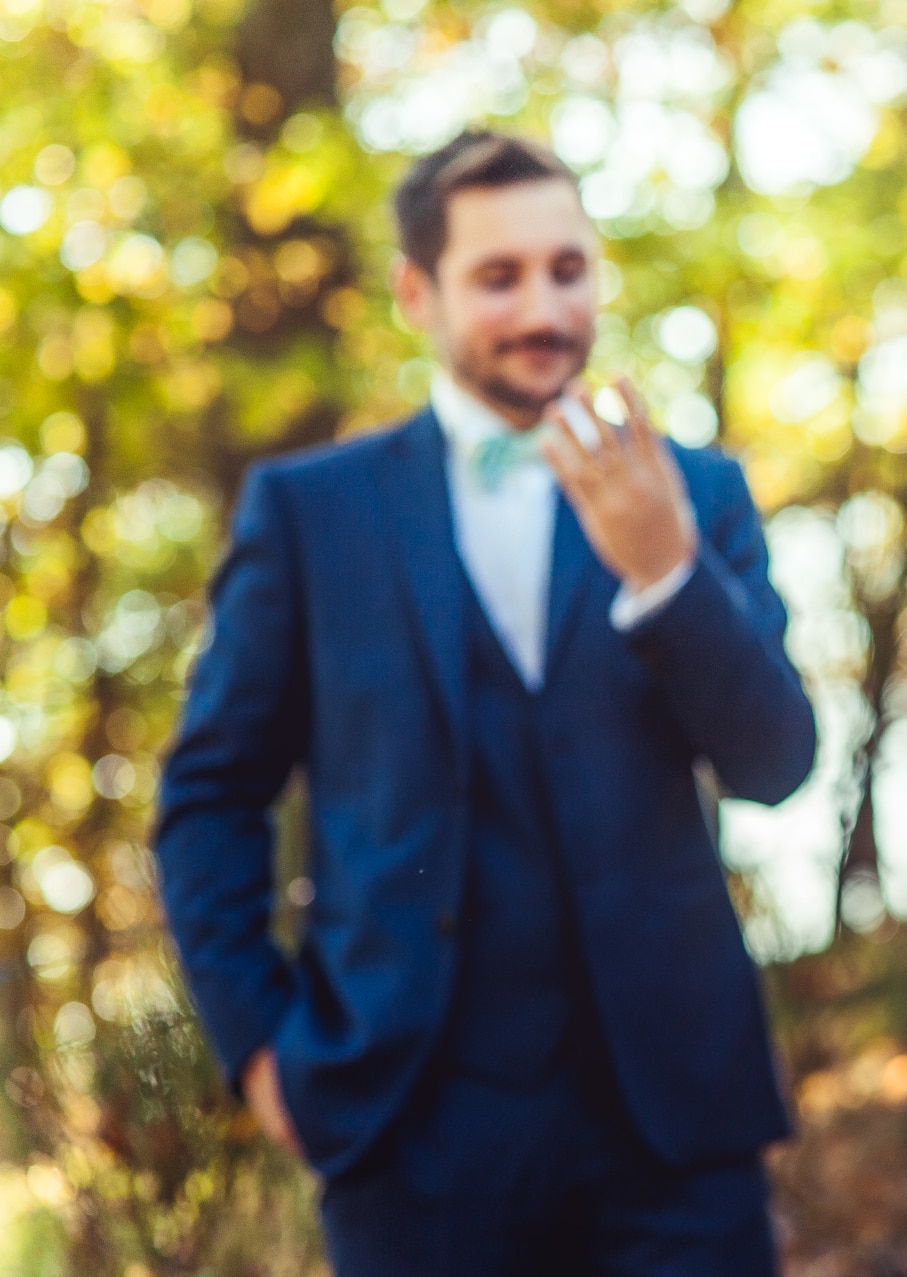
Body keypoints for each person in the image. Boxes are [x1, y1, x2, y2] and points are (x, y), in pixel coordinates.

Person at [155, 131, 814, 1275]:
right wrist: (263, 1047)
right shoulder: (310, 514)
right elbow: (209, 795)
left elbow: (776, 760)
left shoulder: (697, 491)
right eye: (499, 276)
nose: (543, 309)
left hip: (673, 1123)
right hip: (409, 1128)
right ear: (418, 291)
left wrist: (666, 570)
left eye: (567, 269)